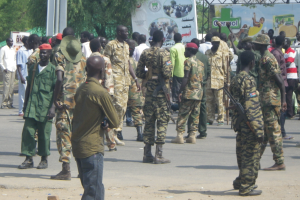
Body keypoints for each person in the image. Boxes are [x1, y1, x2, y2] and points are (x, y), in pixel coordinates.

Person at [72, 56, 119, 200]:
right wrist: (107, 122)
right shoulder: (100, 92)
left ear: (86, 70)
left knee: (90, 188)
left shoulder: (81, 89)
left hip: (78, 146)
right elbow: (115, 121)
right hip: (92, 147)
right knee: (94, 192)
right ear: (102, 72)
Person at [51, 27, 86, 180]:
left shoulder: (59, 55)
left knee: (64, 134)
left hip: (64, 101)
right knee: (78, 135)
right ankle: (82, 169)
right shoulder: (83, 58)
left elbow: (59, 79)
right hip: (79, 101)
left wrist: (54, 101)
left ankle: (66, 170)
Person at [136, 30, 173, 164]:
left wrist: (150, 74)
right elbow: (167, 73)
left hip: (149, 90)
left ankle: (147, 154)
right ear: (162, 40)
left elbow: (139, 72)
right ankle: (159, 154)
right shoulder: (165, 53)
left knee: (149, 121)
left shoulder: (145, 52)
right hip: (162, 91)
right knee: (162, 121)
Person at [230, 50, 263, 196]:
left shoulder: (235, 79)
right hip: (249, 124)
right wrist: (258, 129)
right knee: (250, 155)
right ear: (252, 63)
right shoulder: (249, 80)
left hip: (239, 123)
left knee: (242, 154)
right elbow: (252, 107)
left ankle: (242, 181)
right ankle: (246, 187)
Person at [18, 44, 56, 169]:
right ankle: (28, 159)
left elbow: (56, 91)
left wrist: (53, 107)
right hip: (32, 106)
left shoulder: (53, 70)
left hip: (45, 107)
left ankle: (44, 159)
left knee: (44, 134)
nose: (43, 55)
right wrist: (25, 104)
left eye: (46, 53)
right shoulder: (33, 68)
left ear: (50, 54)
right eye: (42, 53)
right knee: (28, 132)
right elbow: (29, 86)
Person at [253, 34, 287, 171]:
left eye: (256, 43)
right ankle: (255, 160)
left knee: (273, 131)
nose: (253, 45)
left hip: (270, 100)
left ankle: (279, 161)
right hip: (267, 100)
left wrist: (283, 100)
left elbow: (279, 81)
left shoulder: (267, 59)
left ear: (261, 45)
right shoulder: (264, 57)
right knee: (265, 132)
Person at [104, 25, 141, 143]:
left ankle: (115, 132)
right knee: (117, 106)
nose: (127, 33)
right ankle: (111, 133)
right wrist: (105, 80)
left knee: (123, 108)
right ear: (119, 32)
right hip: (115, 80)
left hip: (125, 81)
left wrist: (135, 78)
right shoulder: (111, 45)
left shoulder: (126, 46)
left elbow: (128, 63)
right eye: (125, 32)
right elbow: (105, 61)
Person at [171, 43, 204, 144]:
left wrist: (180, 91)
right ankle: (192, 136)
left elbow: (186, 77)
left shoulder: (188, 62)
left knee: (183, 114)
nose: (184, 52)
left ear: (189, 51)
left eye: (186, 50)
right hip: (198, 93)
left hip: (189, 92)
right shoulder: (200, 63)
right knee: (195, 115)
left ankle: (179, 136)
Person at [89, 38, 116, 151]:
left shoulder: (88, 60)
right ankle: (111, 143)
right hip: (103, 92)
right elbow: (108, 77)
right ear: (100, 48)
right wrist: (110, 94)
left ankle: (92, 142)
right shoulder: (105, 59)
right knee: (107, 117)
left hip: (91, 92)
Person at [205, 36, 233, 126]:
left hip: (219, 80)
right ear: (212, 43)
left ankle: (220, 119)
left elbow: (226, 66)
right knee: (209, 101)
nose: (217, 44)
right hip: (209, 80)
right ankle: (210, 118)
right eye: (215, 42)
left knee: (220, 101)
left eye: (218, 43)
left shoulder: (222, 54)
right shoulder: (207, 53)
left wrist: (226, 80)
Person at [270, 36, 291, 140]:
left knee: (282, 109)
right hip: (279, 85)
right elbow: (276, 72)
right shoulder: (276, 54)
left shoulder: (278, 52)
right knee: (282, 108)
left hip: (282, 83)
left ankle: (281, 131)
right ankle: (282, 132)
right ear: (283, 42)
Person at [191, 38, 210, 139]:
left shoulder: (191, 57)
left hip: (192, 86)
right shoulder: (205, 57)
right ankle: (203, 131)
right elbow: (209, 71)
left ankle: (191, 132)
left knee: (191, 107)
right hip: (202, 85)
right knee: (202, 107)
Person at [126, 39, 144, 141]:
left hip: (124, 89)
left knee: (121, 112)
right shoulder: (136, 63)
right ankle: (140, 134)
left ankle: (119, 134)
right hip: (135, 90)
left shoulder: (122, 64)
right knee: (137, 112)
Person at [16, 36, 33, 116]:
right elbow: (18, 65)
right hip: (23, 74)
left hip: (29, 74)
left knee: (29, 92)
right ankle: (21, 110)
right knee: (23, 92)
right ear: (26, 42)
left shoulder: (31, 50)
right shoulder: (20, 51)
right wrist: (21, 76)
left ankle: (27, 109)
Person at [283, 38, 298, 119]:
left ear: (288, 43)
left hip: (291, 76)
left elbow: (288, 63)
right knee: (287, 95)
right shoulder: (286, 52)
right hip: (288, 76)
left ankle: (290, 113)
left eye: (285, 42)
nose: (283, 43)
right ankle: (288, 112)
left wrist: (281, 66)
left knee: (288, 95)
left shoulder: (291, 52)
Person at [0, 38, 16, 109]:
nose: (11, 42)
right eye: (10, 41)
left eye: (12, 41)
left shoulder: (13, 50)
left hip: (13, 69)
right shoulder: (3, 49)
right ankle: (4, 103)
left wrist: (15, 67)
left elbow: (14, 59)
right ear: (7, 42)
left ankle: (10, 103)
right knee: (6, 86)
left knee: (12, 86)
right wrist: (4, 68)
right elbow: (0, 60)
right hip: (7, 69)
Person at [170, 33, 186, 103]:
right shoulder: (184, 47)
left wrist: (171, 75)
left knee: (177, 90)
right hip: (185, 72)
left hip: (177, 72)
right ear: (181, 39)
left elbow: (172, 63)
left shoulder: (173, 49)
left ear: (174, 39)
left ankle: (178, 105)